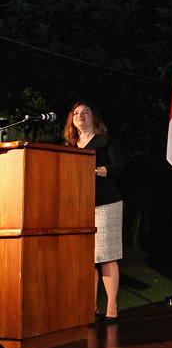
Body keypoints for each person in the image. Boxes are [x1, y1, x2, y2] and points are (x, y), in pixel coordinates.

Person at [64, 101, 124, 322]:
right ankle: (91, 306)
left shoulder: (106, 140)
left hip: (106, 203)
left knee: (106, 256)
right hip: (79, 206)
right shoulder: (69, 146)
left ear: (93, 117)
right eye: (75, 113)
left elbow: (119, 168)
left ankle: (112, 306)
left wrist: (94, 170)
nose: (80, 116)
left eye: (85, 112)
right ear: (71, 120)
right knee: (87, 259)